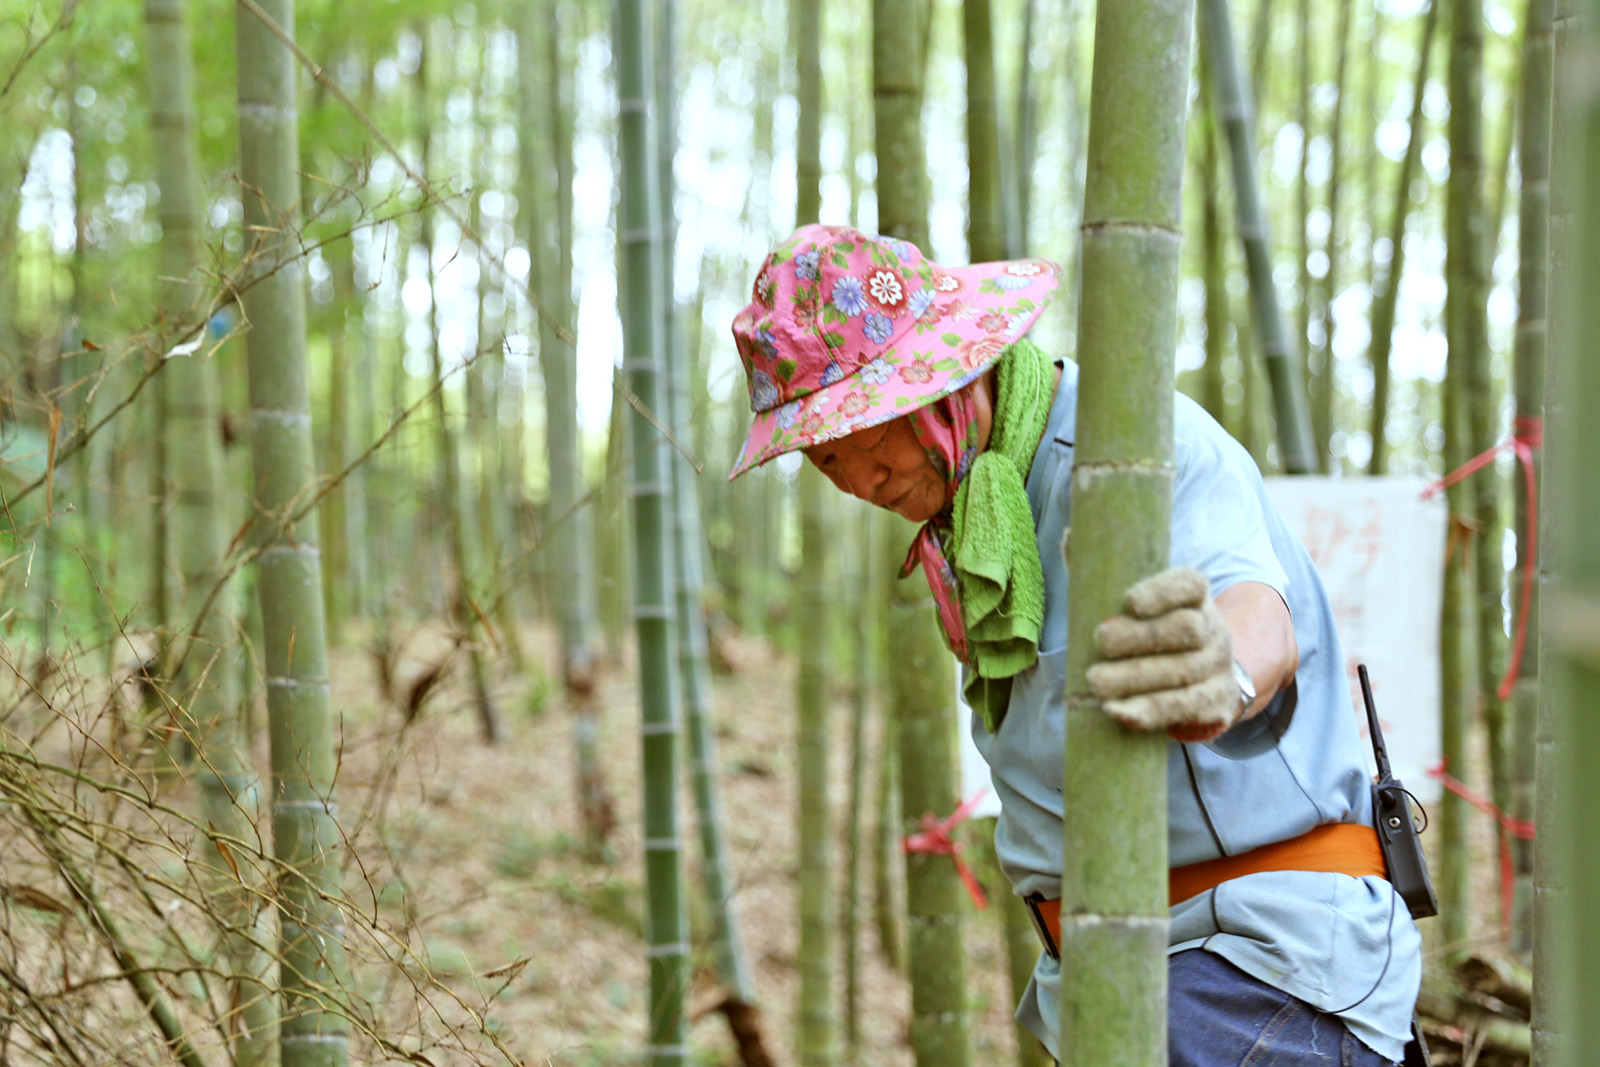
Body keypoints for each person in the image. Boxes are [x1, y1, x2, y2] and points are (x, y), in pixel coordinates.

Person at [727, 224, 1422, 1067]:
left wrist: (1220, 668)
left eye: (871, 432)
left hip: (1262, 964)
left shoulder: (1128, 446)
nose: (861, 480)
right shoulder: (978, 518)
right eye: (825, 456)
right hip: (1122, 983)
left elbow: (1255, 618)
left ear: (943, 381)